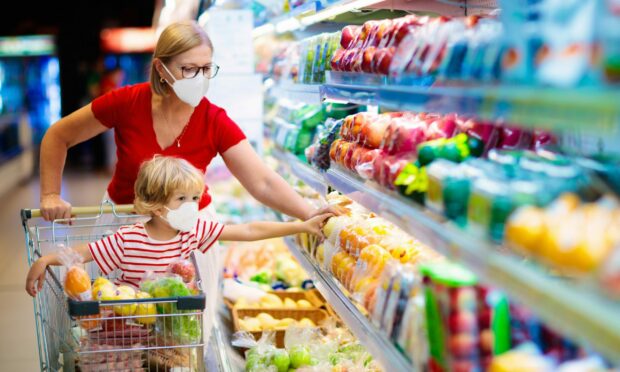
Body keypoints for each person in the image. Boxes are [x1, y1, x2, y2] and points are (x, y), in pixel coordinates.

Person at [38, 19, 336, 222]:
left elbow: (262, 182)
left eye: (207, 69)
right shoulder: (127, 102)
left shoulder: (214, 120)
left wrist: (310, 213)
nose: (200, 78)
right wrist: (51, 194)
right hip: (124, 228)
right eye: (189, 69)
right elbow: (58, 136)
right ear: (161, 68)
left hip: (187, 234)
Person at [26, 156, 332, 295]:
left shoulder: (193, 231)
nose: (193, 206)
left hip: (176, 330)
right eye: (182, 199)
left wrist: (302, 225)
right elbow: (85, 252)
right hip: (133, 330)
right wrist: (46, 259)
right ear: (157, 207)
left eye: (196, 198)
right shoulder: (127, 239)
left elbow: (249, 231)